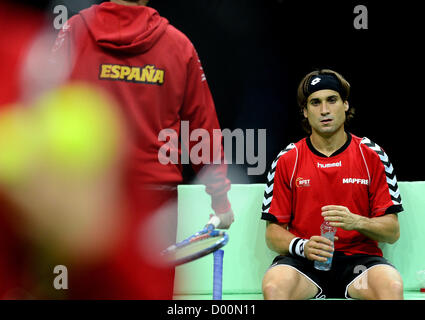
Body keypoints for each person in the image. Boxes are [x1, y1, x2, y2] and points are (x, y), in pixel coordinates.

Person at [51, 0, 234, 299]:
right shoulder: (178, 44)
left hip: (87, 195)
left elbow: (45, 107)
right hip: (153, 200)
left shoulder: (73, 31)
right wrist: (220, 201)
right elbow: (202, 132)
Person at [261, 69, 404, 300]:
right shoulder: (288, 158)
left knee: (392, 287)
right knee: (274, 287)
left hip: (360, 261)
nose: (324, 110)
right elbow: (273, 234)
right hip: (304, 262)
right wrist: (303, 246)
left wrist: (356, 221)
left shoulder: (372, 154)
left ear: (345, 105)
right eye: (315, 103)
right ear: (305, 112)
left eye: (332, 100)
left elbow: (392, 231)